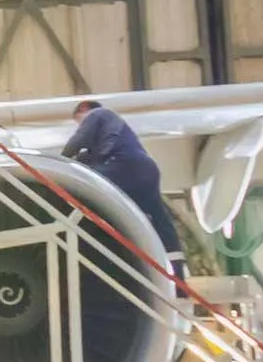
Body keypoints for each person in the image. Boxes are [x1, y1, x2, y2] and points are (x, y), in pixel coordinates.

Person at [60, 100, 185, 274]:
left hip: (121, 166)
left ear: (84, 110)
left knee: (87, 196)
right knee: (158, 219)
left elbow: (78, 140)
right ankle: (177, 273)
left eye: (79, 122)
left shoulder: (97, 114)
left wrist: (61, 161)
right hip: (145, 171)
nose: (80, 125)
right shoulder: (113, 134)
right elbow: (86, 157)